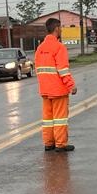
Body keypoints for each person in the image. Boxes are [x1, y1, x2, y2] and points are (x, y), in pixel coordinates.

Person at [34, 18, 78, 152]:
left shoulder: (40, 48)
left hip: (45, 90)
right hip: (58, 90)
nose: (61, 30)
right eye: (61, 27)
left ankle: (48, 143)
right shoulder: (59, 47)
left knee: (48, 119)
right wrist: (71, 85)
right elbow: (63, 70)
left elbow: (39, 70)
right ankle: (60, 144)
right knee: (60, 118)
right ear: (57, 28)